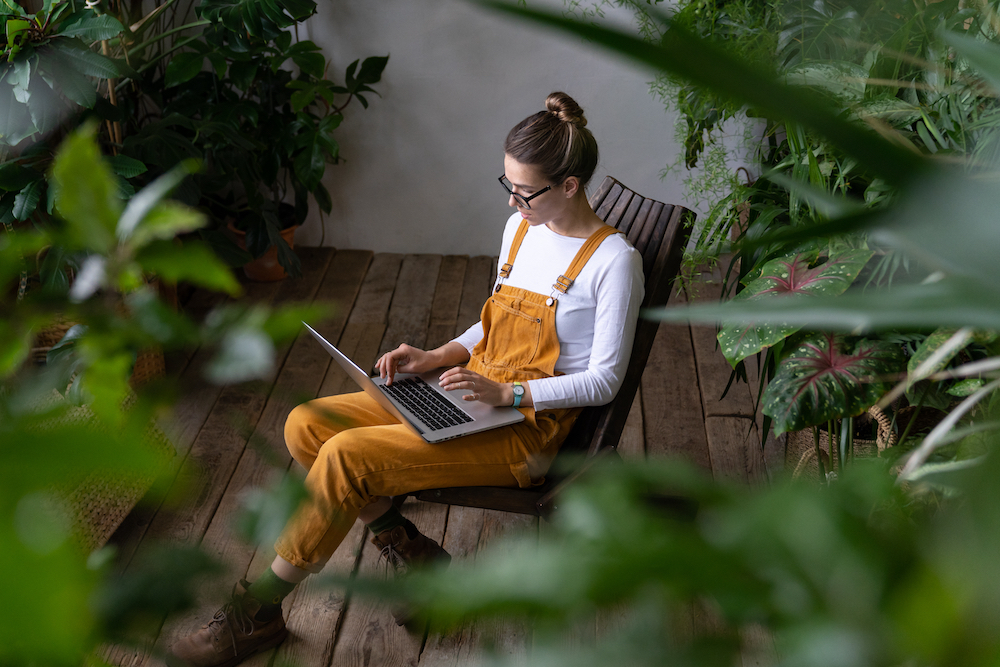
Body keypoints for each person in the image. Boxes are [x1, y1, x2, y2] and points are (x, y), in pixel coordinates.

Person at [170, 91, 645, 667]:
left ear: (569, 185)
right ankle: (409, 548)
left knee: (347, 458)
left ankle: (260, 611)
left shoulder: (613, 261)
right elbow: (493, 320)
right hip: (470, 394)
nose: (515, 201)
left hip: (525, 429)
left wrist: (508, 393)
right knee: (307, 424)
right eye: (508, 186)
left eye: (526, 190)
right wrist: (439, 354)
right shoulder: (520, 231)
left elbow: (605, 381)